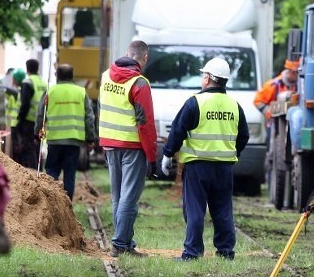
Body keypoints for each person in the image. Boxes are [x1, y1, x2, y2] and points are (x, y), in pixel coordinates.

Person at [161, 57, 249, 261]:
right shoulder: (235, 106)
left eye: (203, 75)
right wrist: (233, 152)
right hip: (224, 168)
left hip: (197, 166)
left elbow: (178, 130)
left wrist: (167, 153)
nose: (202, 78)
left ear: (209, 78)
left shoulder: (195, 102)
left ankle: (192, 253)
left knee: (194, 210)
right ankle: (226, 252)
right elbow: (243, 136)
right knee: (223, 211)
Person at [99, 40, 157, 258]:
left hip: (110, 143)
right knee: (129, 198)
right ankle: (120, 244)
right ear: (144, 59)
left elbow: (101, 107)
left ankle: (124, 242)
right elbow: (146, 123)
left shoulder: (106, 76)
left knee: (118, 196)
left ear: (126, 53)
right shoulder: (139, 83)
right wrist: (152, 156)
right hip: (132, 145)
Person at [35, 64, 96, 199]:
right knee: (70, 173)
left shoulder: (50, 92)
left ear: (57, 76)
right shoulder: (81, 92)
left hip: (55, 140)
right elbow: (89, 117)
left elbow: (41, 115)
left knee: (51, 171)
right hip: (74, 140)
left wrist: (37, 134)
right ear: (72, 76)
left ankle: (51, 202)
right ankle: (67, 204)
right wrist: (91, 139)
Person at [14, 59, 47, 169]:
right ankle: (39, 172)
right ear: (37, 68)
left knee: (28, 149)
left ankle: (32, 174)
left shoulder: (27, 82)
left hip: (28, 121)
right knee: (37, 148)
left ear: (27, 68)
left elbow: (25, 104)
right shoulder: (43, 83)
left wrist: (20, 119)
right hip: (40, 122)